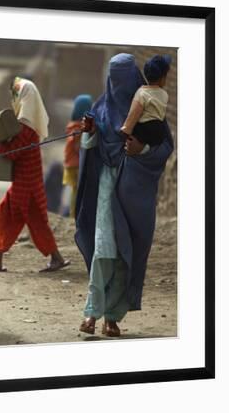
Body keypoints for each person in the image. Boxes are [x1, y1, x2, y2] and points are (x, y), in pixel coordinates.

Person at [75, 53, 173, 337]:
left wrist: (140, 150)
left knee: (124, 254)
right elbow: (91, 145)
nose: (118, 85)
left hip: (135, 192)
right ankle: (92, 313)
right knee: (105, 248)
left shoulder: (150, 106)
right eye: (114, 78)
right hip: (107, 186)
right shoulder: (101, 108)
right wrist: (89, 133)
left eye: (123, 78)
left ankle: (113, 317)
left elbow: (165, 147)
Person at [0, 77, 70, 273]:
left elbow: (12, 153)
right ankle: (54, 258)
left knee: (14, 217)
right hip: (27, 183)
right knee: (23, 219)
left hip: (26, 185)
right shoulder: (26, 124)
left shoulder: (26, 127)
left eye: (17, 95)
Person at [119, 54, 172, 146]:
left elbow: (133, 114)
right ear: (162, 78)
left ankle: (142, 149)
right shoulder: (165, 95)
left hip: (143, 133)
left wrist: (125, 130)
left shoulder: (141, 93)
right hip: (159, 135)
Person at [63, 94, 93, 218]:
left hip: (71, 163)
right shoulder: (79, 128)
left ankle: (74, 214)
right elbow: (77, 147)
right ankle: (74, 215)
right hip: (76, 164)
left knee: (75, 191)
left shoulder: (71, 125)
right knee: (77, 192)